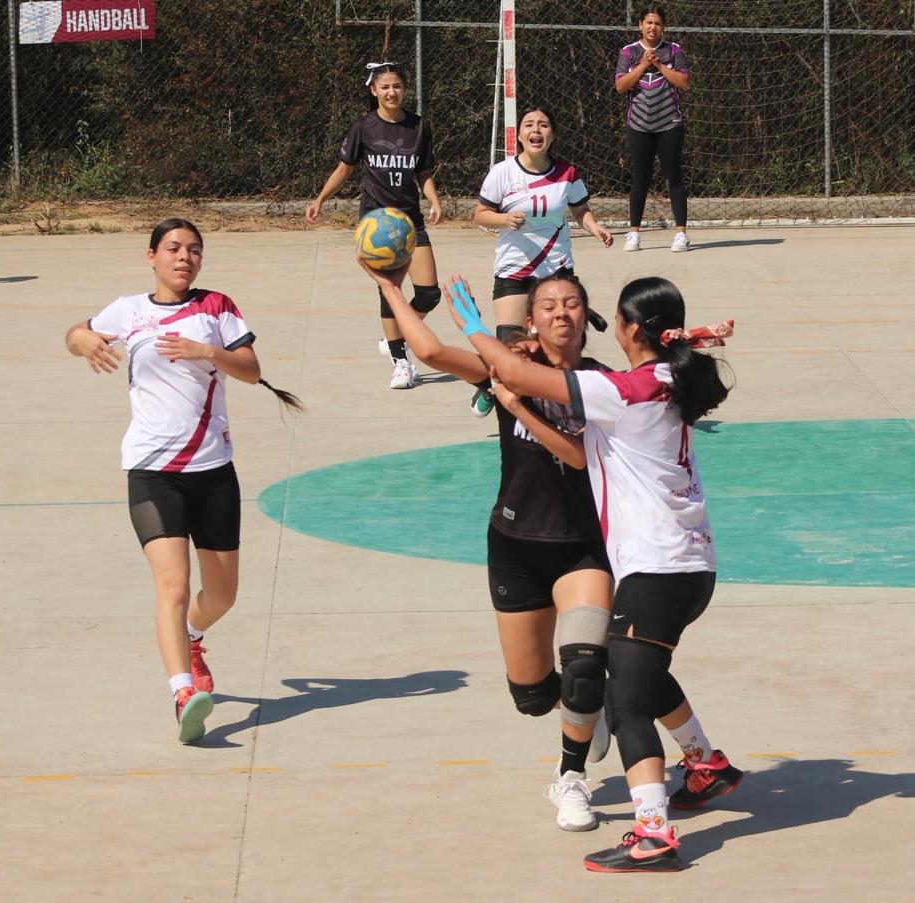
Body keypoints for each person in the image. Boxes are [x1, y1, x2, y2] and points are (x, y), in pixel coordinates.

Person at [444, 274, 741, 872]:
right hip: (689, 566)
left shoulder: (622, 388)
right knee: (639, 671)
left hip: (654, 570)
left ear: (630, 330)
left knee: (626, 703)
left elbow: (527, 378)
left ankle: (653, 833)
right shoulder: (672, 375)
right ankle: (704, 765)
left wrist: (478, 330)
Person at [361, 259, 616, 832]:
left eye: (571, 304)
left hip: (581, 546)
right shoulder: (506, 369)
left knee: (581, 666)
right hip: (515, 546)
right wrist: (390, 291)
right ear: (530, 320)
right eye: (548, 306)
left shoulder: (600, 384)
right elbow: (429, 352)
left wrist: (517, 404)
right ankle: (585, 714)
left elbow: (577, 455)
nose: (561, 314)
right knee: (532, 694)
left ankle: (571, 779)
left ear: (586, 317)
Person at [63, 218, 301, 744]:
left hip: (214, 471)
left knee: (222, 595)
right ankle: (182, 692)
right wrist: (84, 341)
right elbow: (75, 334)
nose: (184, 258)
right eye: (173, 249)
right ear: (151, 256)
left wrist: (208, 353)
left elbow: (251, 368)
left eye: (194, 250)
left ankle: (193, 638)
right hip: (152, 472)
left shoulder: (216, 307)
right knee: (172, 584)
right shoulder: (128, 311)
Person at [305, 61, 443, 391]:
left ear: (404, 89)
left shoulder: (419, 127)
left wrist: (434, 199)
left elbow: (423, 172)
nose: (391, 91)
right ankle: (400, 360)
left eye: (397, 86)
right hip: (377, 221)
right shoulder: (363, 128)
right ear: (374, 90)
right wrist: (320, 199)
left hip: (410, 219)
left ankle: (396, 338)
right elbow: (344, 168)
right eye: (385, 87)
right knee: (389, 289)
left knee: (429, 293)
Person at [470, 104, 613, 417]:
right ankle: (489, 387)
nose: (536, 131)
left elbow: (580, 210)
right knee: (511, 345)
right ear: (519, 134)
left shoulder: (566, 173)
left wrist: (594, 226)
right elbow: (480, 213)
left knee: (561, 345)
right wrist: (504, 219)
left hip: (556, 269)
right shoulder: (502, 173)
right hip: (514, 269)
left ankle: (556, 406)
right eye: (530, 125)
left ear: (553, 134)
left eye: (544, 125)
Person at [614, 6, 690, 252]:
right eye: (648, 22)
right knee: (640, 178)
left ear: (663, 27)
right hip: (639, 125)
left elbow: (683, 82)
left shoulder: (674, 50)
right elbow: (620, 86)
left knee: (673, 176)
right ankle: (634, 233)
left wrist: (658, 65)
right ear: (640, 25)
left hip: (669, 125)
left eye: (657, 23)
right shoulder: (629, 52)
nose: (652, 27)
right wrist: (641, 66)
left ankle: (681, 233)